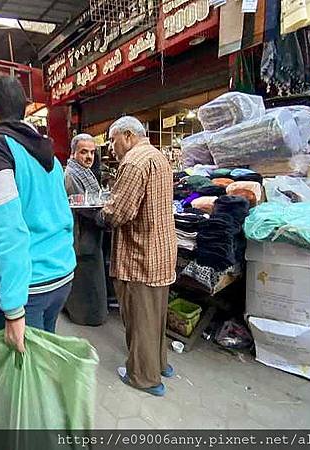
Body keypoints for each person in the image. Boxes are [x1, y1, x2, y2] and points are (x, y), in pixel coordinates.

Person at [0, 75, 75, 352]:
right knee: (41, 363)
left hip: (28, 287)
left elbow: (7, 229)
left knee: (25, 378)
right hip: (60, 274)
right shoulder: (50, 156)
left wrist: (12, 308)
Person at [98, 116, 177, 397]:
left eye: (113, 139)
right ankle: (159, 364)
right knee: (156, 315)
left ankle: (144, 377)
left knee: (140, 317)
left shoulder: (133, 162)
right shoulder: (158, 156)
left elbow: (121, 211)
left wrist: (101, 212)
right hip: (162, 250)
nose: (111, 147)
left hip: (140, 255)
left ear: (128, 135)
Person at [64, 133, 107, 326]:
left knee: (91, 278)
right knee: (85, 280)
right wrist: (106, 216)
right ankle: (84, 317)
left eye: (92, 152)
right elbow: (83, 205)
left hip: (90, 234)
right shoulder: (72, 174)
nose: (89, 157)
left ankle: (92, 314)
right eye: (83, 152)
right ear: (73, 154)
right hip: (81, 235)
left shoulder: (86, 172)